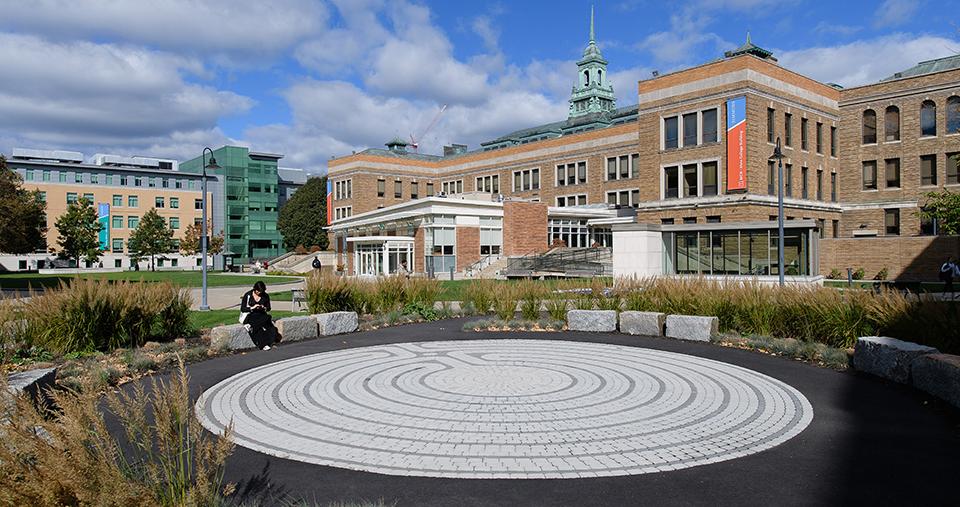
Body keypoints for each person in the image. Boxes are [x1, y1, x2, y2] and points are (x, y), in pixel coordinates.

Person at [240, 281, 277, 350]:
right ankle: (263, 345)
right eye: (258, 291)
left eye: (261, 292)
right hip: (251, 315)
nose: (259, 293)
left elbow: (268, 308)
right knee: (259, 326)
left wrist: (263, 307)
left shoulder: (265, 296)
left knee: (268, 323)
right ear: (255, 289)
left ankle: (251, 326)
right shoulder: (248, 295)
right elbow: (243, 309)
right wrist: (252, 307)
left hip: (261, 314)